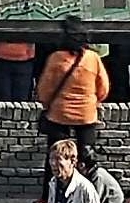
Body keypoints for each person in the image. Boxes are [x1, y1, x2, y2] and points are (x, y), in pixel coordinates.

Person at [36, 19, 108, 147]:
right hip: (86, 112)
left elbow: (44, 89)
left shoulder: (55, 58)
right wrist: (93, 101)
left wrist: (48, 103)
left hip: (59, 112)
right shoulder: (93, 58)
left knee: (57, 152)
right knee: (87, 154)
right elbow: (103, 87)